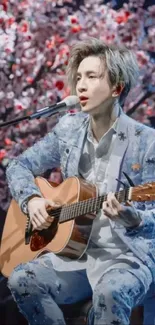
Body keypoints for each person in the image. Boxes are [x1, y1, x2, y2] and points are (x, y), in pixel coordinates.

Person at [6, 38, 155, 325]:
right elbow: (18, 165)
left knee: (110, 292)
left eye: (91, 76)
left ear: (117, 88)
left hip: (127, 257)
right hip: (75, 256)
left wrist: (134, 219)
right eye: (78, 78)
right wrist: (32, 199)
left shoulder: (147, 142)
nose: (80, 86)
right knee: (22, 279)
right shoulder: (68, 128)